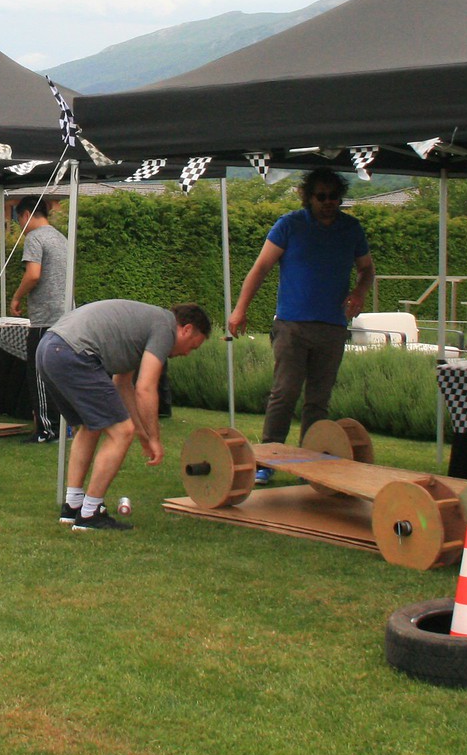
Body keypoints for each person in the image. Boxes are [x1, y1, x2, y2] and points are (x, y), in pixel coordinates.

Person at [227, 168, 375, 480]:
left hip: (332, 326)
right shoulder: (290, 225)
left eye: (333, 196)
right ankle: (268, 459)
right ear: (307, 196)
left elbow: (366, 270)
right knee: (285, 392)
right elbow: (261, 268)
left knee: (318, 401)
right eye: (321, 196)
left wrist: (359, 292)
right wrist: (240, 309)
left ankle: (310, 464)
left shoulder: (351, 229)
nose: (328, 202)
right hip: (292, 325)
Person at [38, 300, 211, 531]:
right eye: (192, 346)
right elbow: (146, 388)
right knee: (121, 432)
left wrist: (142, 432)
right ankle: (90, 513)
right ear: (186, 329)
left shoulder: (144, 325)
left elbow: (123, 384)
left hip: (49, 348)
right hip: (74, 353)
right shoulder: (165, 329)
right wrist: (154, 439)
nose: (187, 353)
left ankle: (73, 505)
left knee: (91, 427)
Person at [8, 195, 70, 443]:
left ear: (24, 215)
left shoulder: (35, 238)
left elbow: (33, 275)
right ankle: (65, 426)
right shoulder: (60, 237)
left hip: (46, 319)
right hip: (66, 317)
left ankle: (47, 430)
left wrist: (16, 297)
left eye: (19, 221)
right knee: (61, 376)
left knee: (40, 374)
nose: (21, 227)